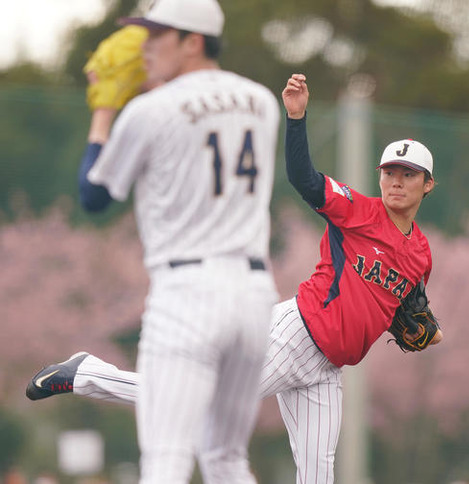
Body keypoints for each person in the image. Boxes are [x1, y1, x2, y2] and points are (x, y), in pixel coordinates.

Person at [27, 73, 443, 483]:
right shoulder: (358, 210)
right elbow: (305, 179)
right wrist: (296, 119)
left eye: (408, 174)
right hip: (296, 334)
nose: (396, 181)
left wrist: (426, 330)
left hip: (328, 367)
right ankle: (86, 373)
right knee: (200, 402)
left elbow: (399, 303)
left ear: (427, 185)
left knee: (319, 475)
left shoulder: (421, 254)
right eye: (390, 171)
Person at [28, 1, 281, 483]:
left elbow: (95, 195)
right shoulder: (262, 102)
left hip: (186, 294)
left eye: (158, 35)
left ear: (193, 41)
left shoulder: (151, 110)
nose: (146, 46)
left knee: (166, 459)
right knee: (226, 456)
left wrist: (104, 112)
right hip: (253, 296)